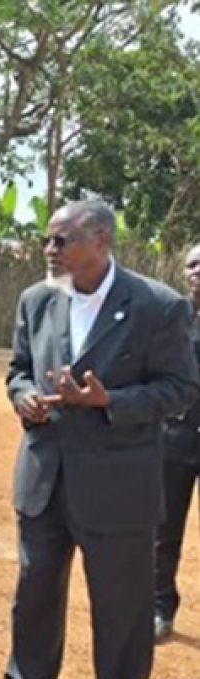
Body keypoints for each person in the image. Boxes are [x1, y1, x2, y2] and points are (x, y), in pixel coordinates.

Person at [0, 200, 198, 679]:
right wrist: (22, 396)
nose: (49, 250)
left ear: (100, 239)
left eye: (61, 240)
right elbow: (17, 369)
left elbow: (181, 388)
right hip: (45, 478)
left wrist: (112, 401)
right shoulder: (37, 300)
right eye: (48, 241)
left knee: (121, 608)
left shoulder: (158, 306)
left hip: (118, 485)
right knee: (33, 594)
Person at [155, 242, 200, 643]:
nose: (198, 270)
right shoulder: (171, 315)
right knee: (164, 528)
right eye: (192, 264)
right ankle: (160, 608)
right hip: (176, 435)